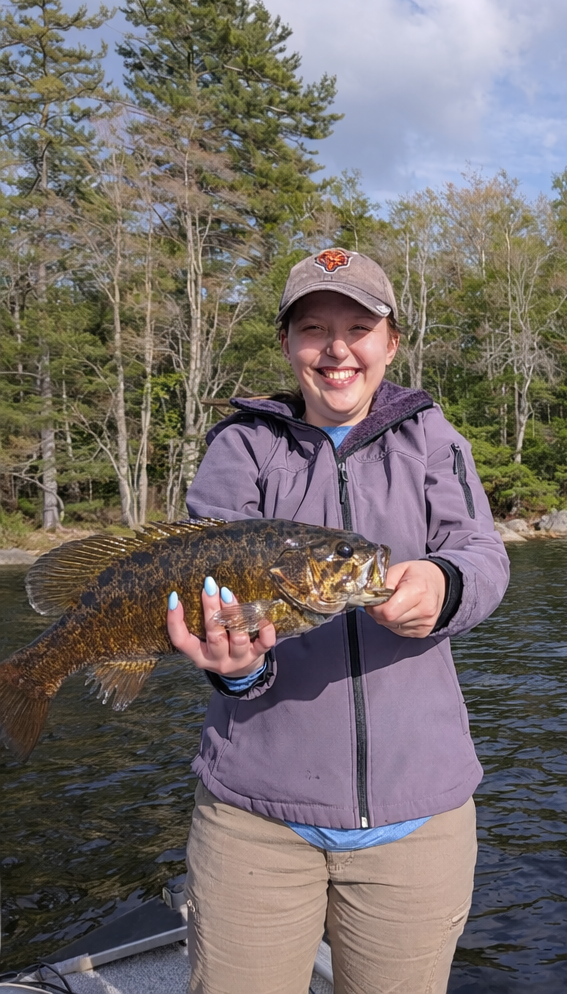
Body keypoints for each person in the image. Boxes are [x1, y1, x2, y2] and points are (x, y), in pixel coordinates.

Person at [165, 248, 510, 994]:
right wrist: (238, 667)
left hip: (419, 819)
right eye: (313, 328)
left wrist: (444, 586)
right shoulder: (242, 445)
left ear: (391, 341)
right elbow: (208, 590)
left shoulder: (434, 438)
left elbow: (483, 555)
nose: (336, 348)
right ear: (288, 345)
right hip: (254, 817)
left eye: (359, 326)